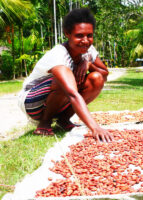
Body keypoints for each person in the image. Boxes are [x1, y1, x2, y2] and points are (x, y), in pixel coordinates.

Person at [18, 8, 113, 143]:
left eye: (89, 35)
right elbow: (72, 94)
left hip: (58, 99)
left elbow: (104, 74)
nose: (85, 41)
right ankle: (44, 123)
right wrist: (95, 128)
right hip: (32, 102)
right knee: (62, 81)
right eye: (79, 35)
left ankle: (63, 120)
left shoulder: (88, 50)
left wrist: (87, 64)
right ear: (67, 34)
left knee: (96, 78)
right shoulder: (59, 55)